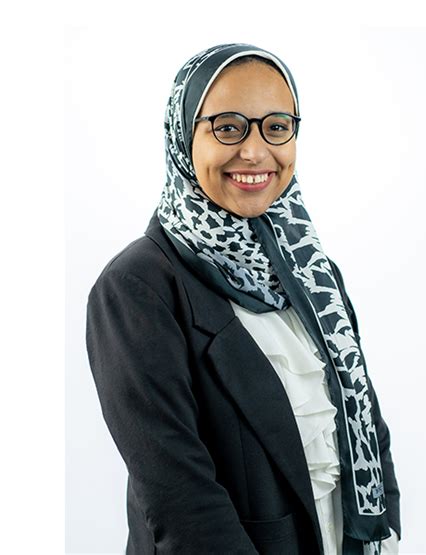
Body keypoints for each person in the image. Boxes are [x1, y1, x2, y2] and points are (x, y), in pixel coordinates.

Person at [86, 43, 402, 555]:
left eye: (277, 127)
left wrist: (382, 531)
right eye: (228, 127)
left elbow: (362, 413)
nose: (255, 152)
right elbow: (180, 498)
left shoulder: (310, 269)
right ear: (182, 135)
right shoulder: (136, 287)